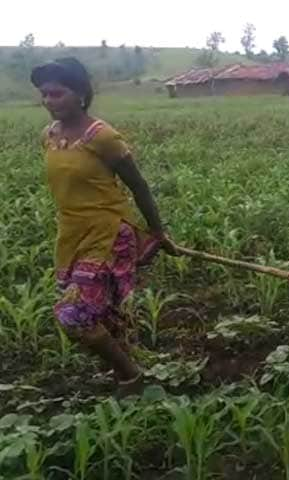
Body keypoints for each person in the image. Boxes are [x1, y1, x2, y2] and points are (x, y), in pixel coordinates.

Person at [31, 58, 178, 392]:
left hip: (109, 233)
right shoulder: (49, 136)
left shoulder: (102, 136)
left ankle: (130, 375)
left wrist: (158, 232)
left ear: (81, 93)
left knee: (74, 314)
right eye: (44, 95)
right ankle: (123, 367)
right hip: (71, 234)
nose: (49, 102)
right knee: (101, 312)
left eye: (57, 94)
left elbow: (138, 185)